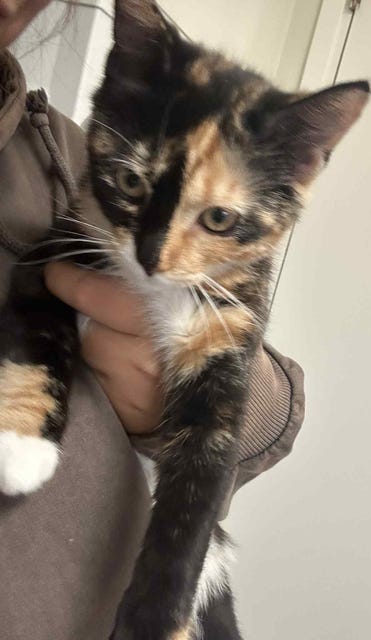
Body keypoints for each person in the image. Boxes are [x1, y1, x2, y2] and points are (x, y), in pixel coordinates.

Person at [0, 2, 305, 639]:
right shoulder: (88, 175)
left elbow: (264, 404)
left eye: (216, 219)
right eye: (134, 187)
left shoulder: (56, 148)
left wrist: (215, 404)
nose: (156, 257)